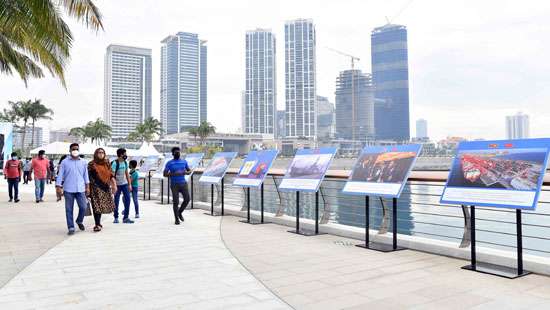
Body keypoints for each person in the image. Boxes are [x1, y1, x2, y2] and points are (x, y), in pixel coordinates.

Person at [56, 143, 90, 235]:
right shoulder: (64, 162)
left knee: (83, 207)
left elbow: (86, 175)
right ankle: (71, 227)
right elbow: (60, 175)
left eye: (76, 149)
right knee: (69, 209)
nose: (75, 150)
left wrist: (88, 187)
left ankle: (79, 220)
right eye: (73, 149)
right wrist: (58, 187)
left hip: (81, 189)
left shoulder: (83, 162)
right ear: (70, 150)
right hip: (68, 189)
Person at [88, 148, 117, 232]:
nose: (101, 154)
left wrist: (114, 185)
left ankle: (98, 223)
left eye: (102, 152)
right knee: (96, 206)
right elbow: (88, 177)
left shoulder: (107, 163)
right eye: (99, 153)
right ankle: (97, 224)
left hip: (105, 187)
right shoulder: (91, 164)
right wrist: (87, 189)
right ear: (96, 154)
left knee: (101, 206)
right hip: (95, 188)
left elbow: (111, 175)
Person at [164, 147, 191, 225]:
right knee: (176, 202)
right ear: (173, 154)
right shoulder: (169, 163)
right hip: (174, 184)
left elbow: (189, 171)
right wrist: (174, 173)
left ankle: (179, 212)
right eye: (176, 152)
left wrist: (185, 172)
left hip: (183, 183)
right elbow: (165, 174)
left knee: (187, 199)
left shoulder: (184, 161)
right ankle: (176, 219)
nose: (177, 153)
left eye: (179, 152)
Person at [111, 148, 133, 224]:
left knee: (128, 200)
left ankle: (126, 218)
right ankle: (116, 217)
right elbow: (112, 176)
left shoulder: (125, 163)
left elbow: (127, 174)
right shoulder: (115, 163)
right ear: (120, 154)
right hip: (117, 185)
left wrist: (130, 184)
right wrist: (114, 186)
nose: (126, 155)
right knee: (116, 201)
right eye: (124, 154)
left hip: (125, 184)